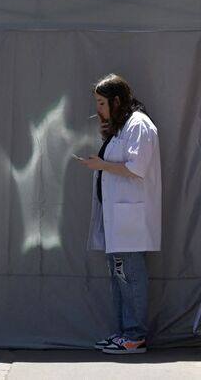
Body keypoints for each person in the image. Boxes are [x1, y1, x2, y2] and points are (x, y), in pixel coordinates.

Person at [76, 74, 162, 356]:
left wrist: (101, 164)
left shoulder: (139, 125)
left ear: (116, 101)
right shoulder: (123, 126)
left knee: (131, 277)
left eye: (101, 103)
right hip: (120, 218)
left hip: (131, 220)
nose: (98, 109)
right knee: (120, 277)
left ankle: (135, 336)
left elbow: (137, 167)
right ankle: (124, 333)